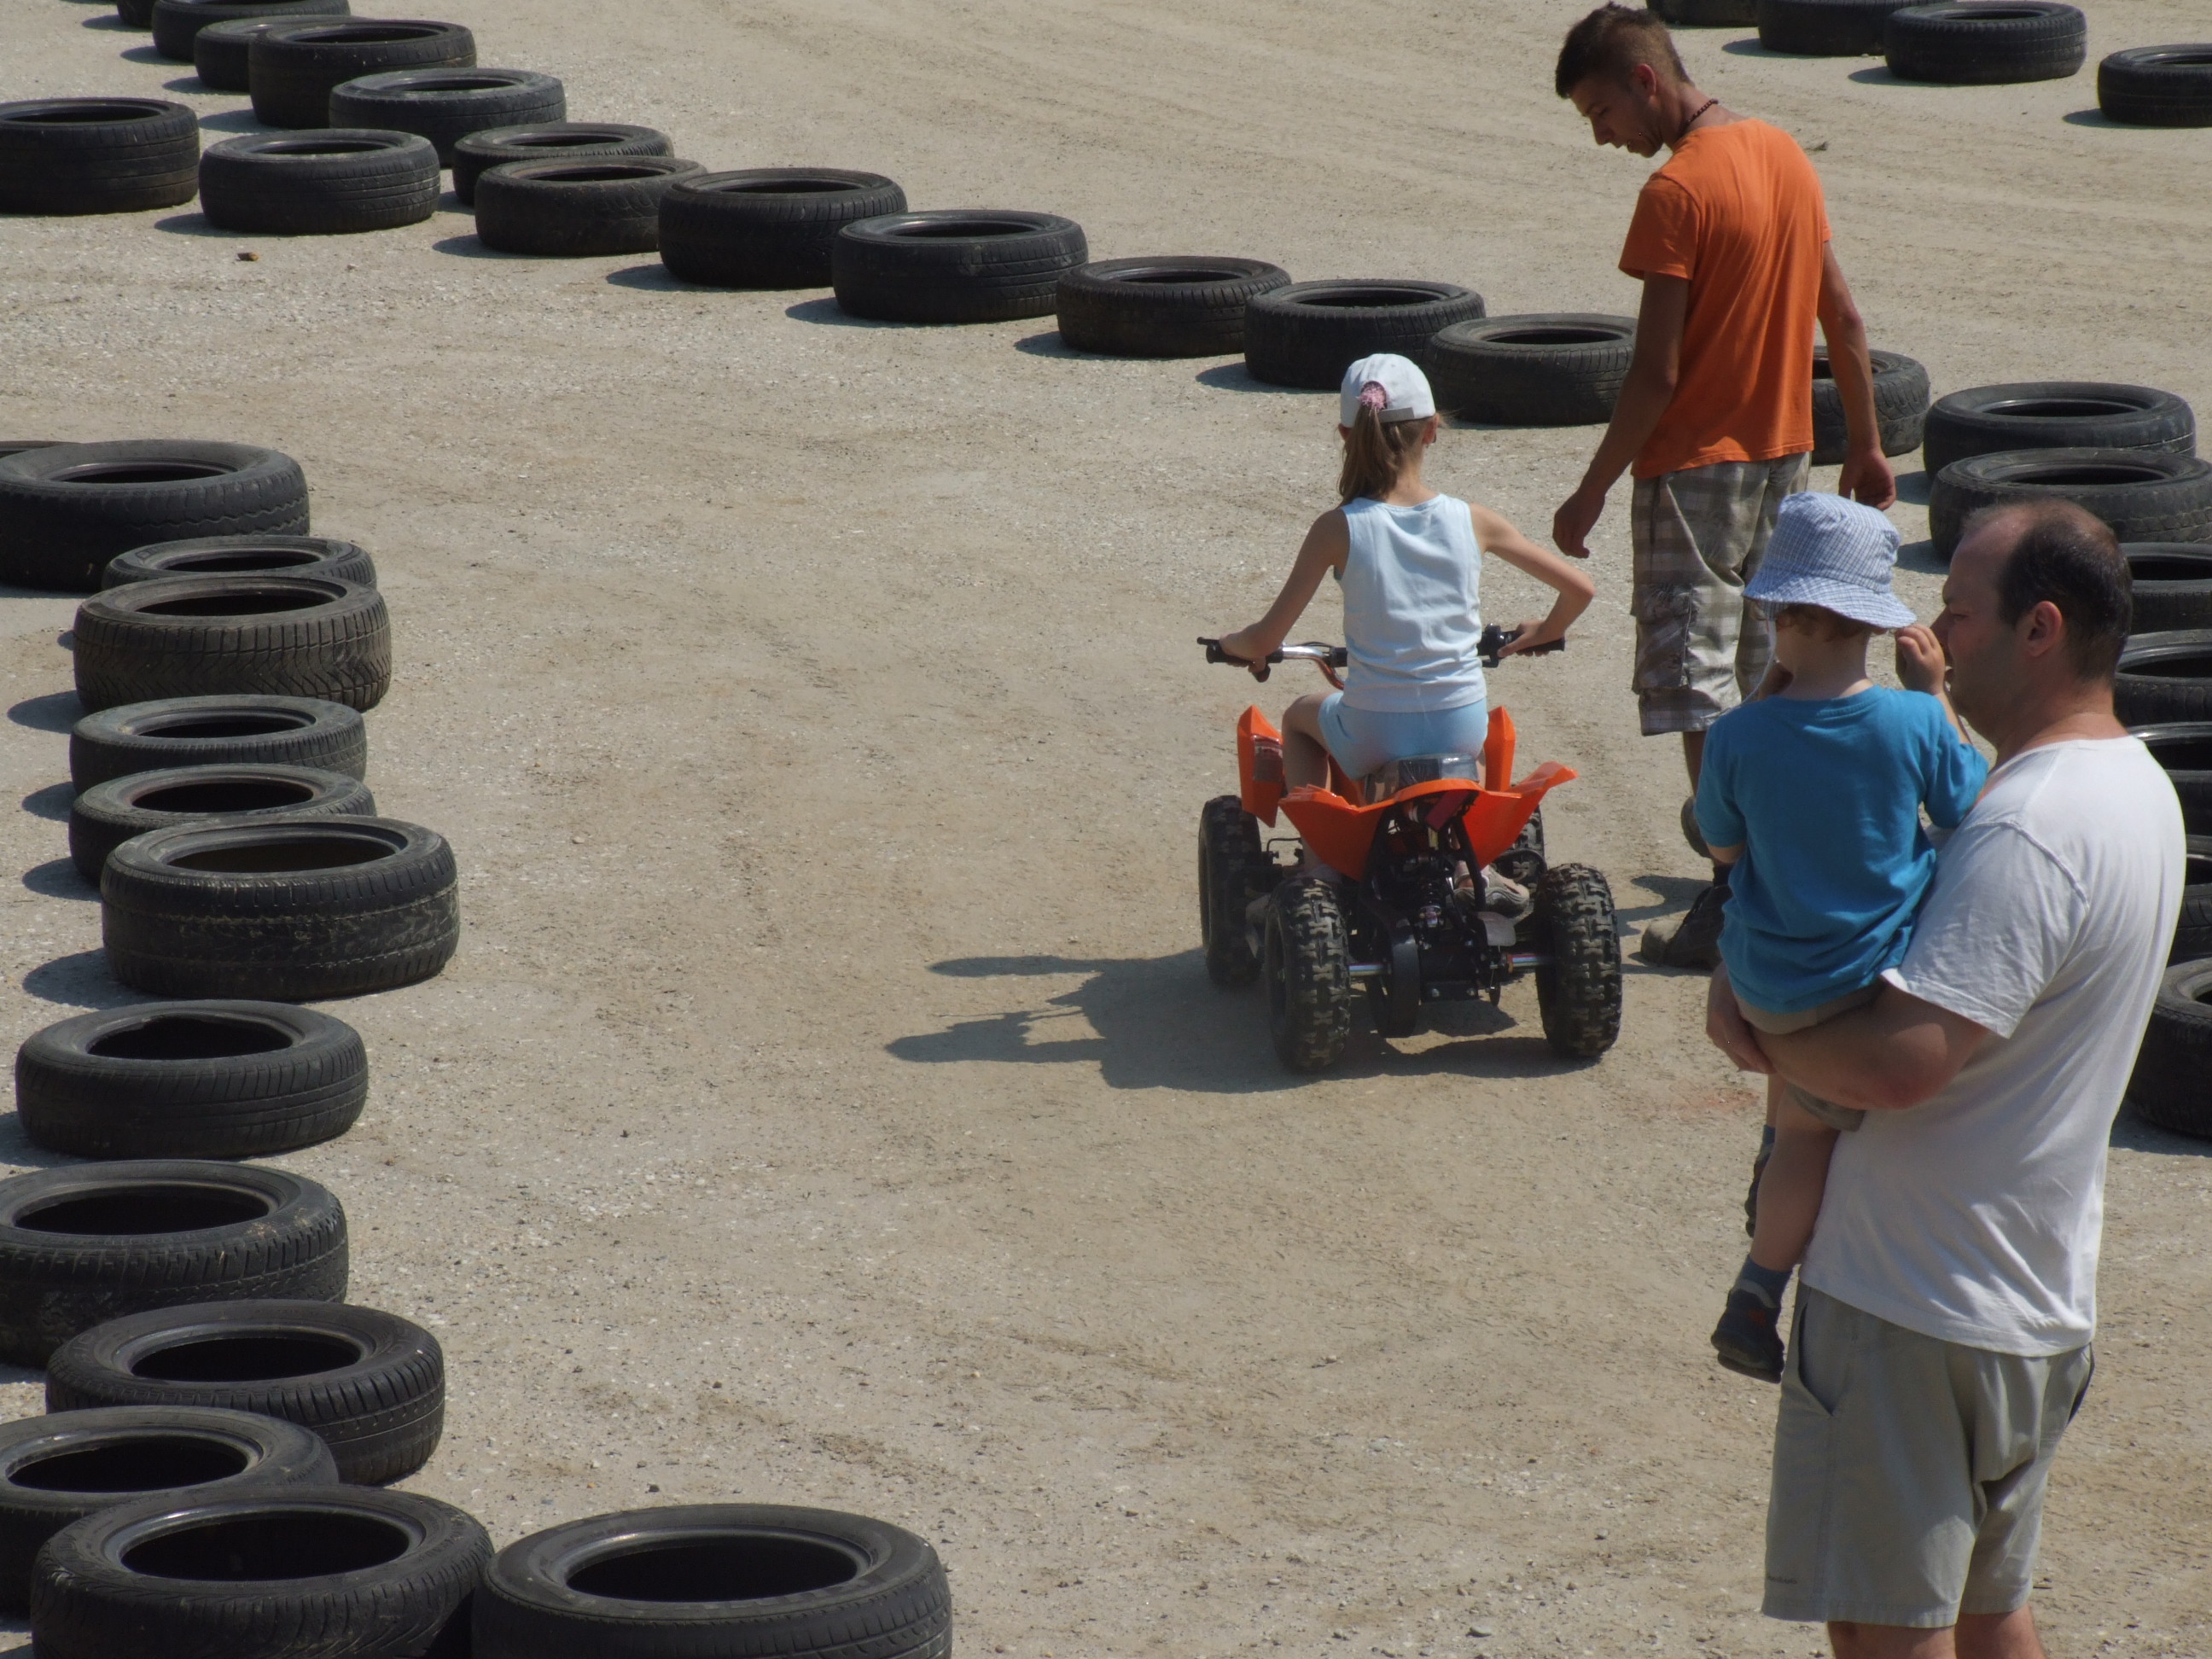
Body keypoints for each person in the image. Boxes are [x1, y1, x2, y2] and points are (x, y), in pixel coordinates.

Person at [1704, 501, 2184, 1659]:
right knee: (1987, 1611)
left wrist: (1757, 1034)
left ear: (2040, 629)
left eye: (1960, 614)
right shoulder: (2138, 789)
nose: (1936, 634)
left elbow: (1900, 1063)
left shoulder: (2024, 829)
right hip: (2032, 1298)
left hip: (1917, 1310)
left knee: (1887, 1629)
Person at [1549, 3, 1897, 969]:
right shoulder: (1783, 154)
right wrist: (1867, 444)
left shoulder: (1676, 191)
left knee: (1697, 684)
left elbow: (1655, 374)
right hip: (1784, 459)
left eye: (1600, 111)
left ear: (1645, 81)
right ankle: (1767, 847)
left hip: (1692, 473)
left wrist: (1590, 490)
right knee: (1766, 667)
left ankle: (1730, 890)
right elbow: (1845, 318)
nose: (1602, 135)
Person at [1691, 493, 1986, 1387]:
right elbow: (1968, 805)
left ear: (1776, 611)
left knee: (1793, 1113)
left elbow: (1721, 847)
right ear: (1878, 623)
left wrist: (1760, 705)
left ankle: (1763, 1210)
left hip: (1766, 983)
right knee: (1811, 1137)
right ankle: (1756, 1290)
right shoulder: (1911, 721)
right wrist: (1936, 693)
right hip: (1860, 984)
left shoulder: (1737, 735)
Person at [1214, 353, 1593, 803]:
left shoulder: (1338, 528)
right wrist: (1547, 629)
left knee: (1299, 716)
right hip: (1459, 725)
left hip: (1373, 731)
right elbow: (1580, 589)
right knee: (1479, 757)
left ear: (1346, 435)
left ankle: (1318, 846)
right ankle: (1469, 841)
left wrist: (1232, 645)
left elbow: (1264, 640)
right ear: (1432, 429)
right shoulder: (1475, 520)